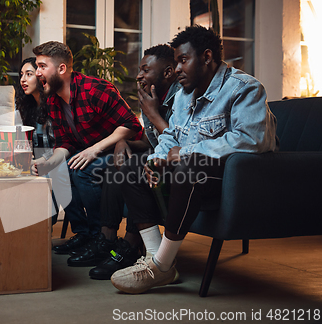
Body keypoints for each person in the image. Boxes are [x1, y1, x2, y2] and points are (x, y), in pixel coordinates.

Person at [111, 25, 278, 294]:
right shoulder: (183, 96)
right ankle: (156, 261)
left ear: (207, 57)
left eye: (183, 60)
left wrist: (185, 154)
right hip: (192, 172)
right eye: (176, 61)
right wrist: (155, 159)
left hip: (236, 178)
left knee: (187, 168)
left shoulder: (245, 88)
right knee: (131, 168)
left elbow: (252, 140)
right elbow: (173, 137)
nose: (176, 68)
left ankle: (160, 266)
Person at [66, 45, 181, 275]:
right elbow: (151, 142)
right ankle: (107, 239)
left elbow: (180, 144)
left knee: (131, 168)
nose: (139, 75)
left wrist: (153, 114)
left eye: (145, 70)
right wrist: (124, 142)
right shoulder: (152, 96)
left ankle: (130, 245)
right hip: (160, 158)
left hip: (182, 165)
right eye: (140, 70)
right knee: (114, 164)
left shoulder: (182, 98)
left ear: (167, 72)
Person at [31, 41, 143, 254]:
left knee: (82, 170)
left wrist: (94, 150)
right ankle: (83, 233)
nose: (37, 72)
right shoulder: (53, 100)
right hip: (91, 151)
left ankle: (100, 237)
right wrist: (48, 163)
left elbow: (131, 125)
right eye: (37, 66)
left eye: (42, 66)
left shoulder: (95, 89)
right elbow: (66, 144)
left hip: (124, 151)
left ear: (62, 69)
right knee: (58, 171)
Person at [15, 57, 63, 224]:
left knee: (47, 175)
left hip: (53, 159)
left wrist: (40, 161)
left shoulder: (55, 104)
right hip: (32, 162)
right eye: (21, 74)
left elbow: (60, 144)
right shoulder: (23, 106)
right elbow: (20, 142)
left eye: (29, 74)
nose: (23, 79)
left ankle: (40, 231)